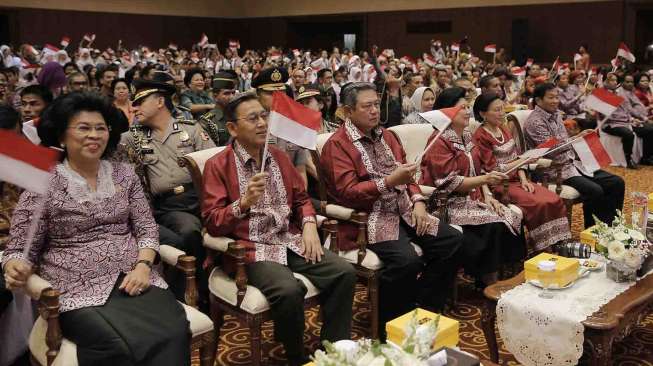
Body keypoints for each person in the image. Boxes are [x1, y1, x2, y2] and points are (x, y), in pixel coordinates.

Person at [2, 92, 190, 365]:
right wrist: (14, 266)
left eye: (100, 128)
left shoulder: (125, 174)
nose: (94, 135)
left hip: (133, 277)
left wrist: (143, 266)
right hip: (73, 288)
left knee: (173, 328)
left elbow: (147, 228)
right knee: (115, 343)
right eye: (83, 128)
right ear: (62, 136)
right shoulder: (42, 183)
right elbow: (19, 248)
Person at [202, 93, 356, 366]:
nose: (262, 123)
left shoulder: (278, 157)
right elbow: (212, 222)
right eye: (253, 118)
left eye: (264, 116)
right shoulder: (218, 165)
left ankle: (332, 349)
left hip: (289, 238)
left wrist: (309, 224)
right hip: (249, 249)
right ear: (233, 129)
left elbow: (301, 200)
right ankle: (296, 356)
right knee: (287, 290)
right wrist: (243, 203)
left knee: (343, 272)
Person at [320, 82, 463, 334]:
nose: (375, 111)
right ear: (347, 111)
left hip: (405, 209)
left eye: (376, 104)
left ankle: (424, 307)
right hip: (370, 219)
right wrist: (388, 182)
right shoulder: (337, 145)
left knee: (451, 240)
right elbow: (347, 193)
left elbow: (409, 174)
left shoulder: (387, 136)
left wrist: (418, 201)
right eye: (367, 106)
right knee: (405, 262)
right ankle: (392, 327)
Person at [119, 79, 215, 303]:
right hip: (169, 206)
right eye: (133, 103)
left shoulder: (190, 130)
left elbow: (213, 163)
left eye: (141, 102)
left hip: (201, 197)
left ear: (160, 101)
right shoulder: (132, 138)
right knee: (189, 230)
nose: (134, 107)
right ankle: (198, 294)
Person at [420, 87, 525, 287]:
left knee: (511, 216)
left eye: (468, 107)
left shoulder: (467, 136)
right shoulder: (438, 140)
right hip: (445, 203)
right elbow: (449, 182)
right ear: (446, 113)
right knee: (492, 225)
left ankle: (503, 275)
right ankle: (489, 281)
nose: (468, 112)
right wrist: (485, 181)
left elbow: (477, 171)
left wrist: (488, 196)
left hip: (472, 197)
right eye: (462, 108)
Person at [472, 93, 571, 251]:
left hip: (518, 181)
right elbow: (492, 170)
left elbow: (517, 157)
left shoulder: (504, 129)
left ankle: (557, 244)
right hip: (499, 185)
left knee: (553, 199)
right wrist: (524, 160)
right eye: (497, 110)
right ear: (483, 113)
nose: (502, 113)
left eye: (502, 109)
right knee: (539, 203)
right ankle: (543, 247)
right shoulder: (480, 136)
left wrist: (524, 179)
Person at [523, 83, 625, 228]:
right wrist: (576, 139)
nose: (555, 101)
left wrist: (579, 137)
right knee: (595, 190)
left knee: (616, 182)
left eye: (557, 97)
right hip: (554, 170)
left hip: (573, 164)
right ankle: (592, 231)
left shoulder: (556, 114)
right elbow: (550, 149)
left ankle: (611, 227)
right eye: (551, 97)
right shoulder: (535, 122)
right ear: (538, 100)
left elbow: (564, 141)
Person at [253, 67, 310, 183]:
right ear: (258, 94)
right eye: (270, 93)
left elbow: (300, 171)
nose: (277, 97)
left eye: (281, 92)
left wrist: (302, 200)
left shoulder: (293, 125)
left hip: (293, 193)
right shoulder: (249, 125)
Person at [602, 73, 653, 167]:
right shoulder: (602, 94)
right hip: (611, 124)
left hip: (625, 122)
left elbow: (625, 110)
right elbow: (608, 116)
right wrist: (629, 120)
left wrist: (632, 119)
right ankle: (628, 159)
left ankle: (647, 157)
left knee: (649, 128)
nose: (614, 82)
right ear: (605, 81)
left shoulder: (617, 93)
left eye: (615, 80)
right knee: (628, 134)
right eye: (611, 80)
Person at [198, 70, 238, 146]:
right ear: (215, 96)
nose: (232, 97)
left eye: (233, 93)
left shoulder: (239, 114)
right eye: (226, 93)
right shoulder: (207, 122)